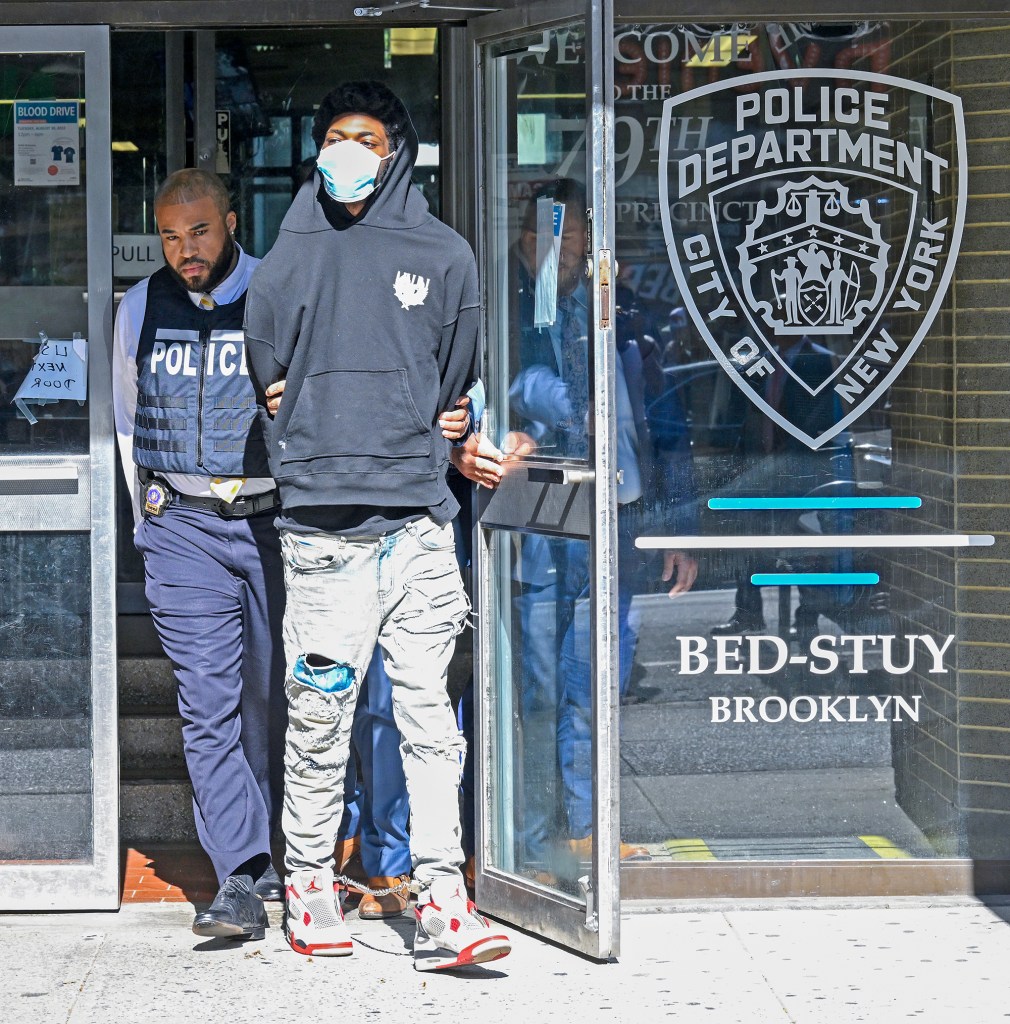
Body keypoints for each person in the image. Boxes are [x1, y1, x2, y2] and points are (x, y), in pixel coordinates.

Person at [244, 80, 511, 971]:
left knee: (430, 721)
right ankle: (310, 886)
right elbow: (267, 373)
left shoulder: (446, 255)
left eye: (362, 137)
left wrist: (431, 427)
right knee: (320, 719)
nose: (344, 152)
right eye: (331, 136)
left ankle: (442, 900)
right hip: (322, 532)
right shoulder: (287, 254)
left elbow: (452, 383)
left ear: (395, 149)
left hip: (420, 528)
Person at [506, 178, 698, 880]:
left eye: (573, 235)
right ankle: (524, 843)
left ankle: (586, 828)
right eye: (547, 236)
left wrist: (675, 528)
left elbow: (665, 428)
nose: (561, 248)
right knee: (536, 689)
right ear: (524, 245)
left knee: (597, 682)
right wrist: (563, 405)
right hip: (544, 521)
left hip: (615, 516)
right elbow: (512, 385)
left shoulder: (624, 317)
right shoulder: (513, 312)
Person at [112, 169, 286, 942]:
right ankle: (241, 876)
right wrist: (145, 523)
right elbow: (125, 419)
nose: (185, 251)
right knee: (206, 704)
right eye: (170, 236)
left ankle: (293, 851)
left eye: (200, 232)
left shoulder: (278, 293)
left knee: (276, 697)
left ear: (232, 222)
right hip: (182, 522)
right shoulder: (140, 306)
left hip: (273, 522)